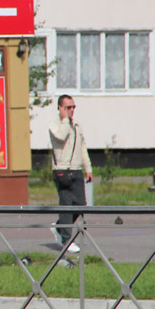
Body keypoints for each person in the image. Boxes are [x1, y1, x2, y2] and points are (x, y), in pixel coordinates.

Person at [49, 94, 92, 254]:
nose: (71, 110)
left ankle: (59, 226)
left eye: (73, 107)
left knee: (81, 205)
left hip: (76, 170)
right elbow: (60, 136)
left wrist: (88, 168)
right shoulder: (55, 125)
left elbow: (82, 147)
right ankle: (66, 240)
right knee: (66, 204)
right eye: (68, 107)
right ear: (60, 108)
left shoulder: (76, 126)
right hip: (62, 170)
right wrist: (66, 120)